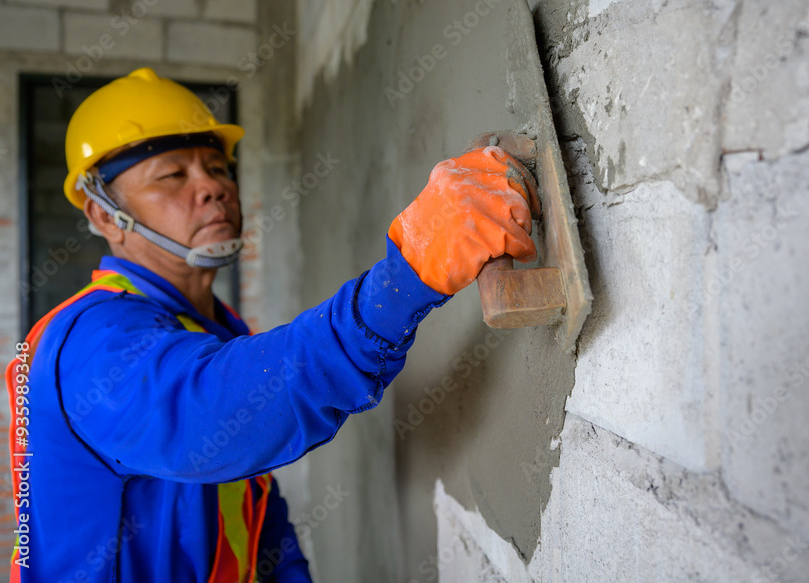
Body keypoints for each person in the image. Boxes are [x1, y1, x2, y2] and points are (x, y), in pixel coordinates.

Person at [5, 68, 539, 582]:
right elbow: (207, 419)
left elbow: (251, 512)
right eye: (172, 175)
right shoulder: (88, 341)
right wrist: (410, 273)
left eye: (218, 168)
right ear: (104, 215)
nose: (212, 187)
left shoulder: (209, 329)